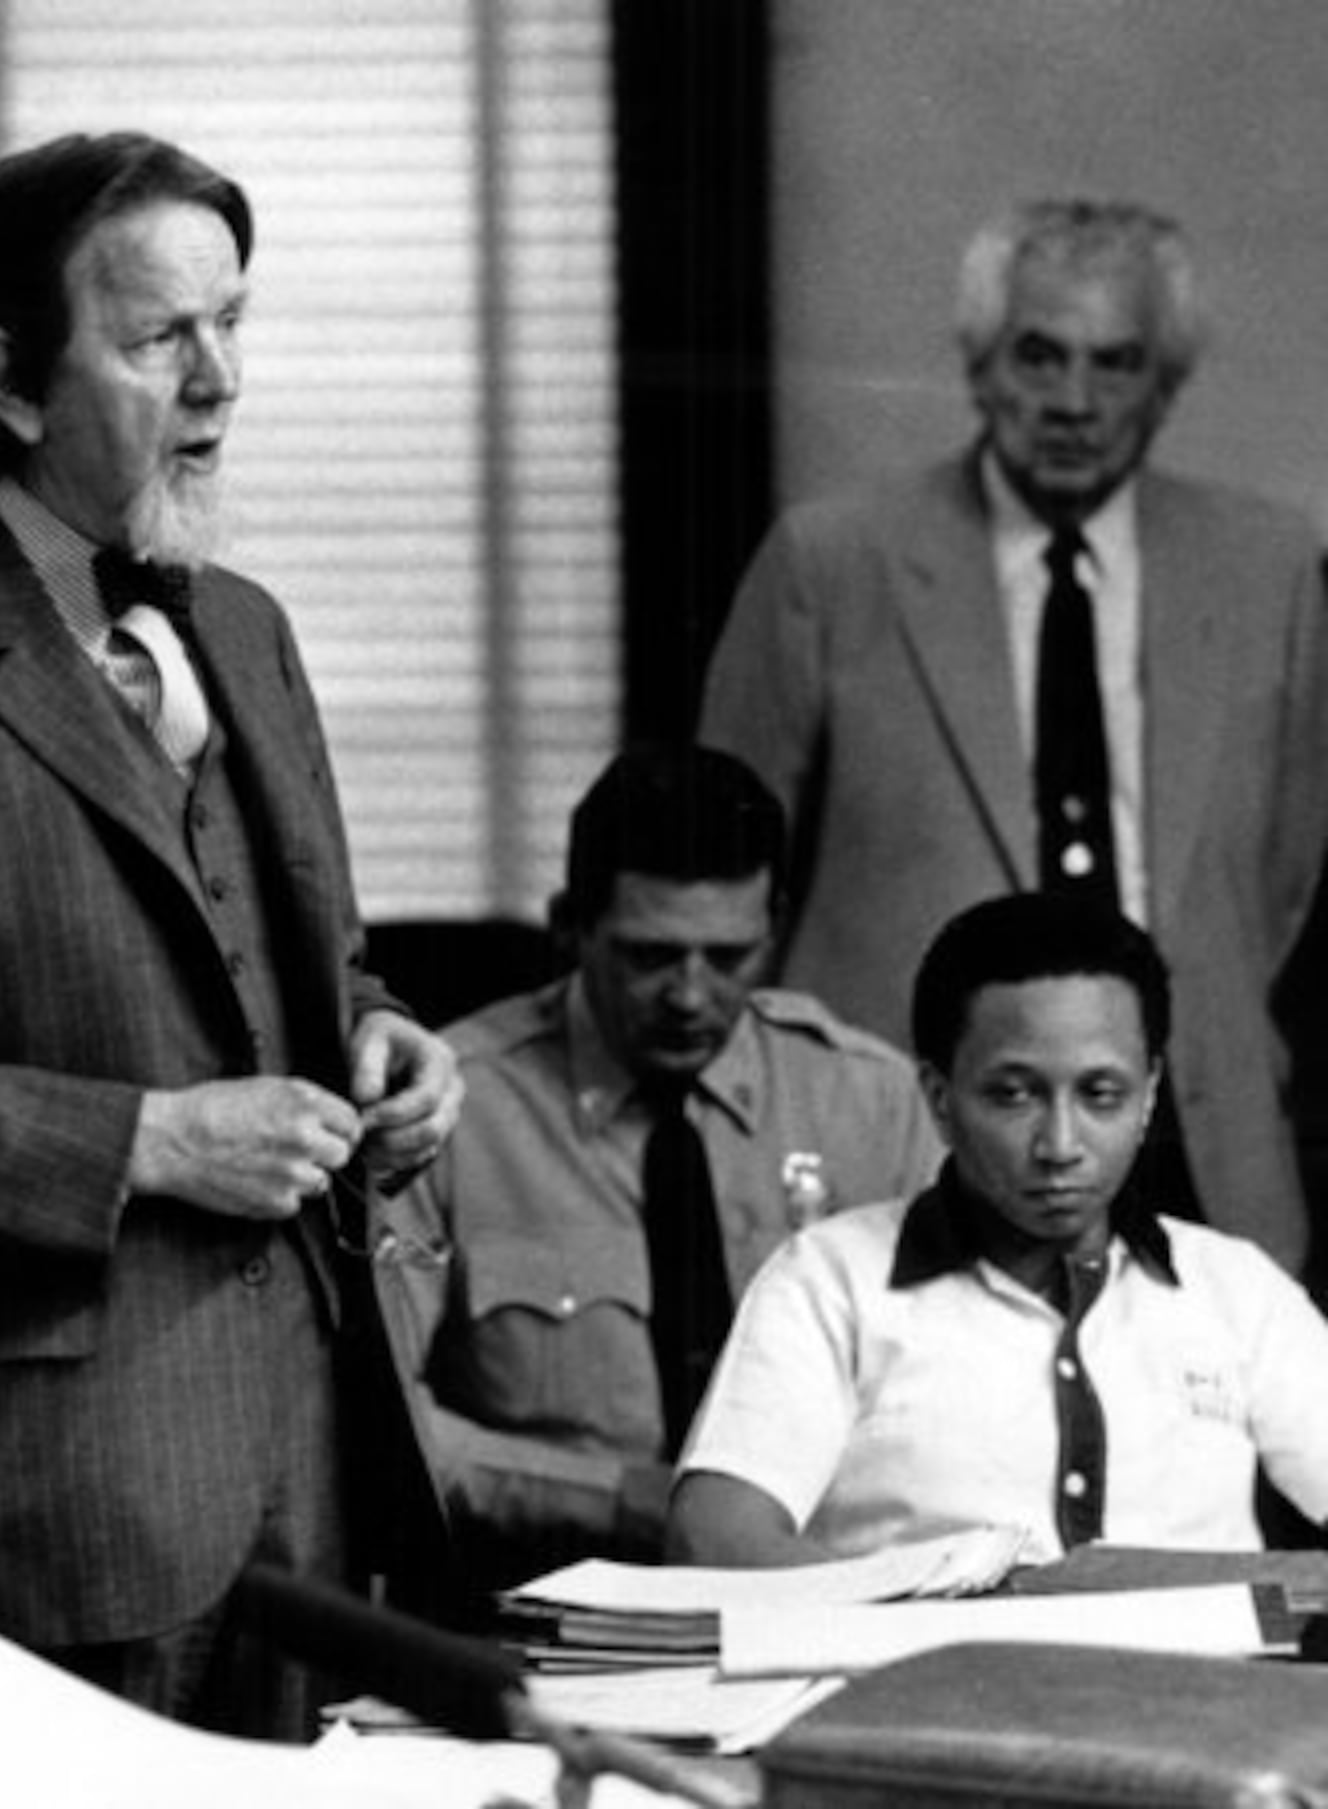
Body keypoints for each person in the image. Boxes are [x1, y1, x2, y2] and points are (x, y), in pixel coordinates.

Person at [0, 132, 464, 1741]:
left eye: (233, 322)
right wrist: (148, 1140)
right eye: (159, 340)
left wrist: (386, 1041)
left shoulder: (249, 631)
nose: (221, 381)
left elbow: (294, 966)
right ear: (9, 379)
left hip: (314, 1476)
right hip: (43, 1510)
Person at [698, 197, 1328, 1279]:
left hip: (1190, 1143)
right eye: (1039, 357)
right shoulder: (831, 563)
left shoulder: (1268, 566)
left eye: (1116, 363)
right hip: (907, 1136)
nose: (1074, 402)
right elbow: (727, 883)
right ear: (978, 366)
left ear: (1166, 385)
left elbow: (1282, 879)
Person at [383, 745, 943, 1588]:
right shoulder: (450, 1109)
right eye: (649, 956)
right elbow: (388, 1421)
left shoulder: (875, 1104)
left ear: (775, 925)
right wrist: (629, 1500)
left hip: (814, 1588)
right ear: (571, 924)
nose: (690, 994)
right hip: (540, 1603)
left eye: (729, 958)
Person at [668, 893, 1328, 1568]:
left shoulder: (1236, 1289)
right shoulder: (830, 1279)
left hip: (1211, 1674)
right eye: (1013, 1094)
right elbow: (714, 1538)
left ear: (1150, 1091)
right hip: (927, 1671)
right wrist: (940, 1622)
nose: (1061, 1144)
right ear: (938, 1096)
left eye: (1102, 1093)